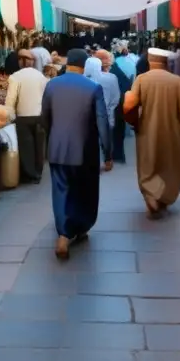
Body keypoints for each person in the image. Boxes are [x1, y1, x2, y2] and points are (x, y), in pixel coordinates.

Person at [42, 49, 113, 260]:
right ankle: (81, 226)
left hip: (57, 149)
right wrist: (108, 152)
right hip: (85, 152)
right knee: (86, 190)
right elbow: (102, 123)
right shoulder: (93, 88)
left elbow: (44, 118)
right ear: (84, 66)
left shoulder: (51, 85)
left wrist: (51, 138)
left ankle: (64, 234)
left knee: (61, 190)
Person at [123, 47, 180, 218]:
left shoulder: (141, 79)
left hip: (146, 129)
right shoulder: (178, 81)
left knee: (148, 163)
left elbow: (130, 104)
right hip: (172, 131)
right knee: (170, 165)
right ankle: (164, 199)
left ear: (150, 61)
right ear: (166, 62)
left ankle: (151, 195)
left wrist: (133, 122)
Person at [5, 49, 48, 183]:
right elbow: (46, 96)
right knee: (39, 145)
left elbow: (10, 100)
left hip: (23, 117)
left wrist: (9, 117)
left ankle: (31, 174)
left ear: (20, 62)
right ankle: (38, 171)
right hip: (39, 115)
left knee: (26, 146)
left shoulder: (15, 77)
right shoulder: (41, 76)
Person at [101, 49, 131, 164]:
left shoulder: (112, 73)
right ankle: (117, 155)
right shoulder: (117, 70)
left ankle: (113, 155)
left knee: (114, 131)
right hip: (120, 105)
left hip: (116, 106)